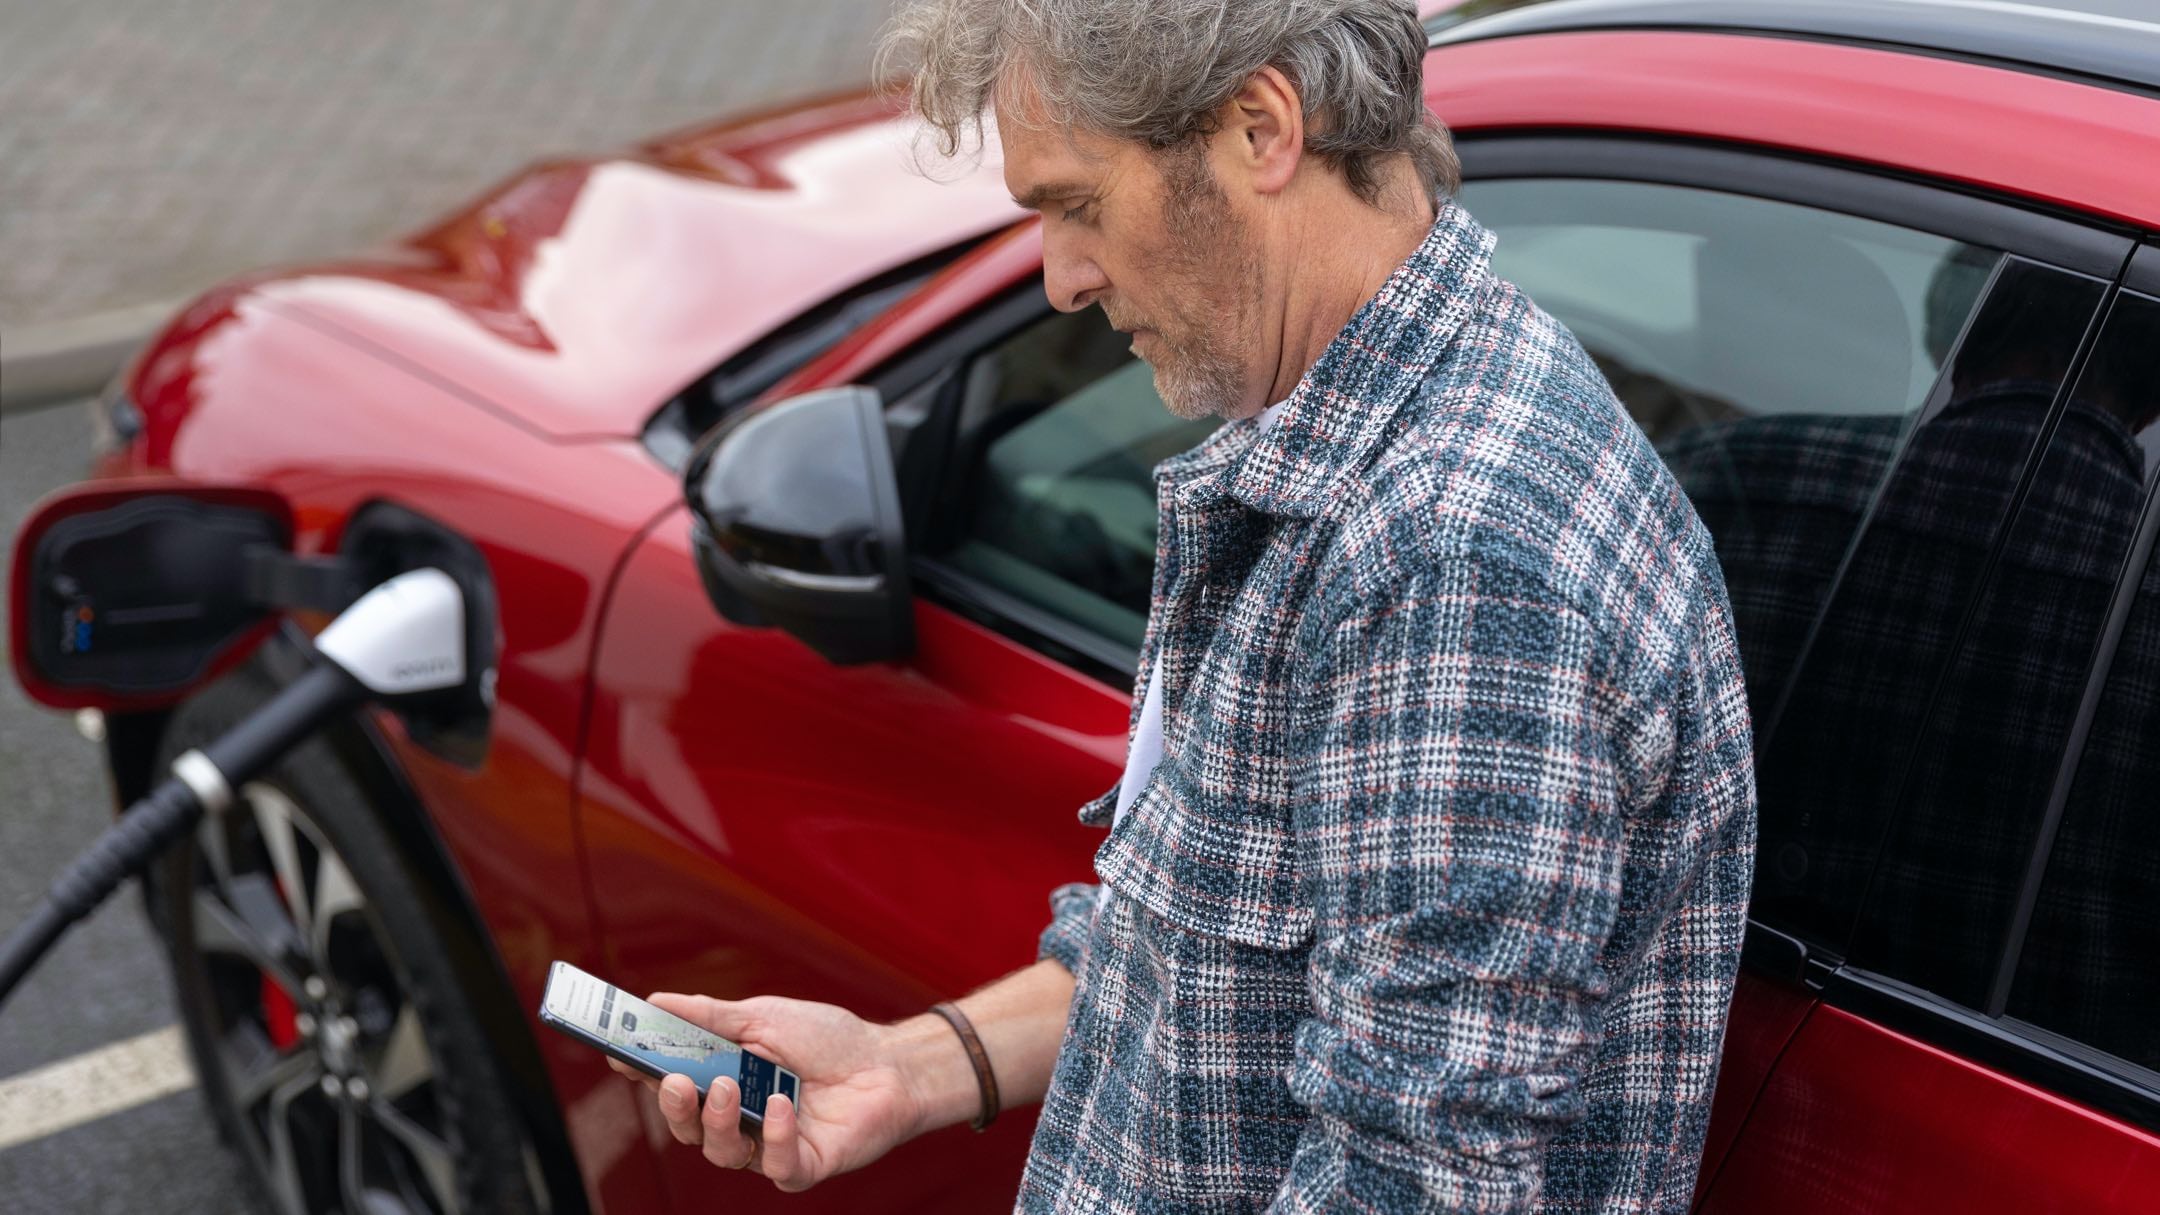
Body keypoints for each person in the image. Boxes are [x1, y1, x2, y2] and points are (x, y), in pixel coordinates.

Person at [611, 1, 1758, 1209]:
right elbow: (1208, 951)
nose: (1060, 279)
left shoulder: (1453, 564)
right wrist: (911, 1064)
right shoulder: (1357, 451)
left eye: (1078, 204)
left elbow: (1414, 1182)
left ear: (1260, 128)